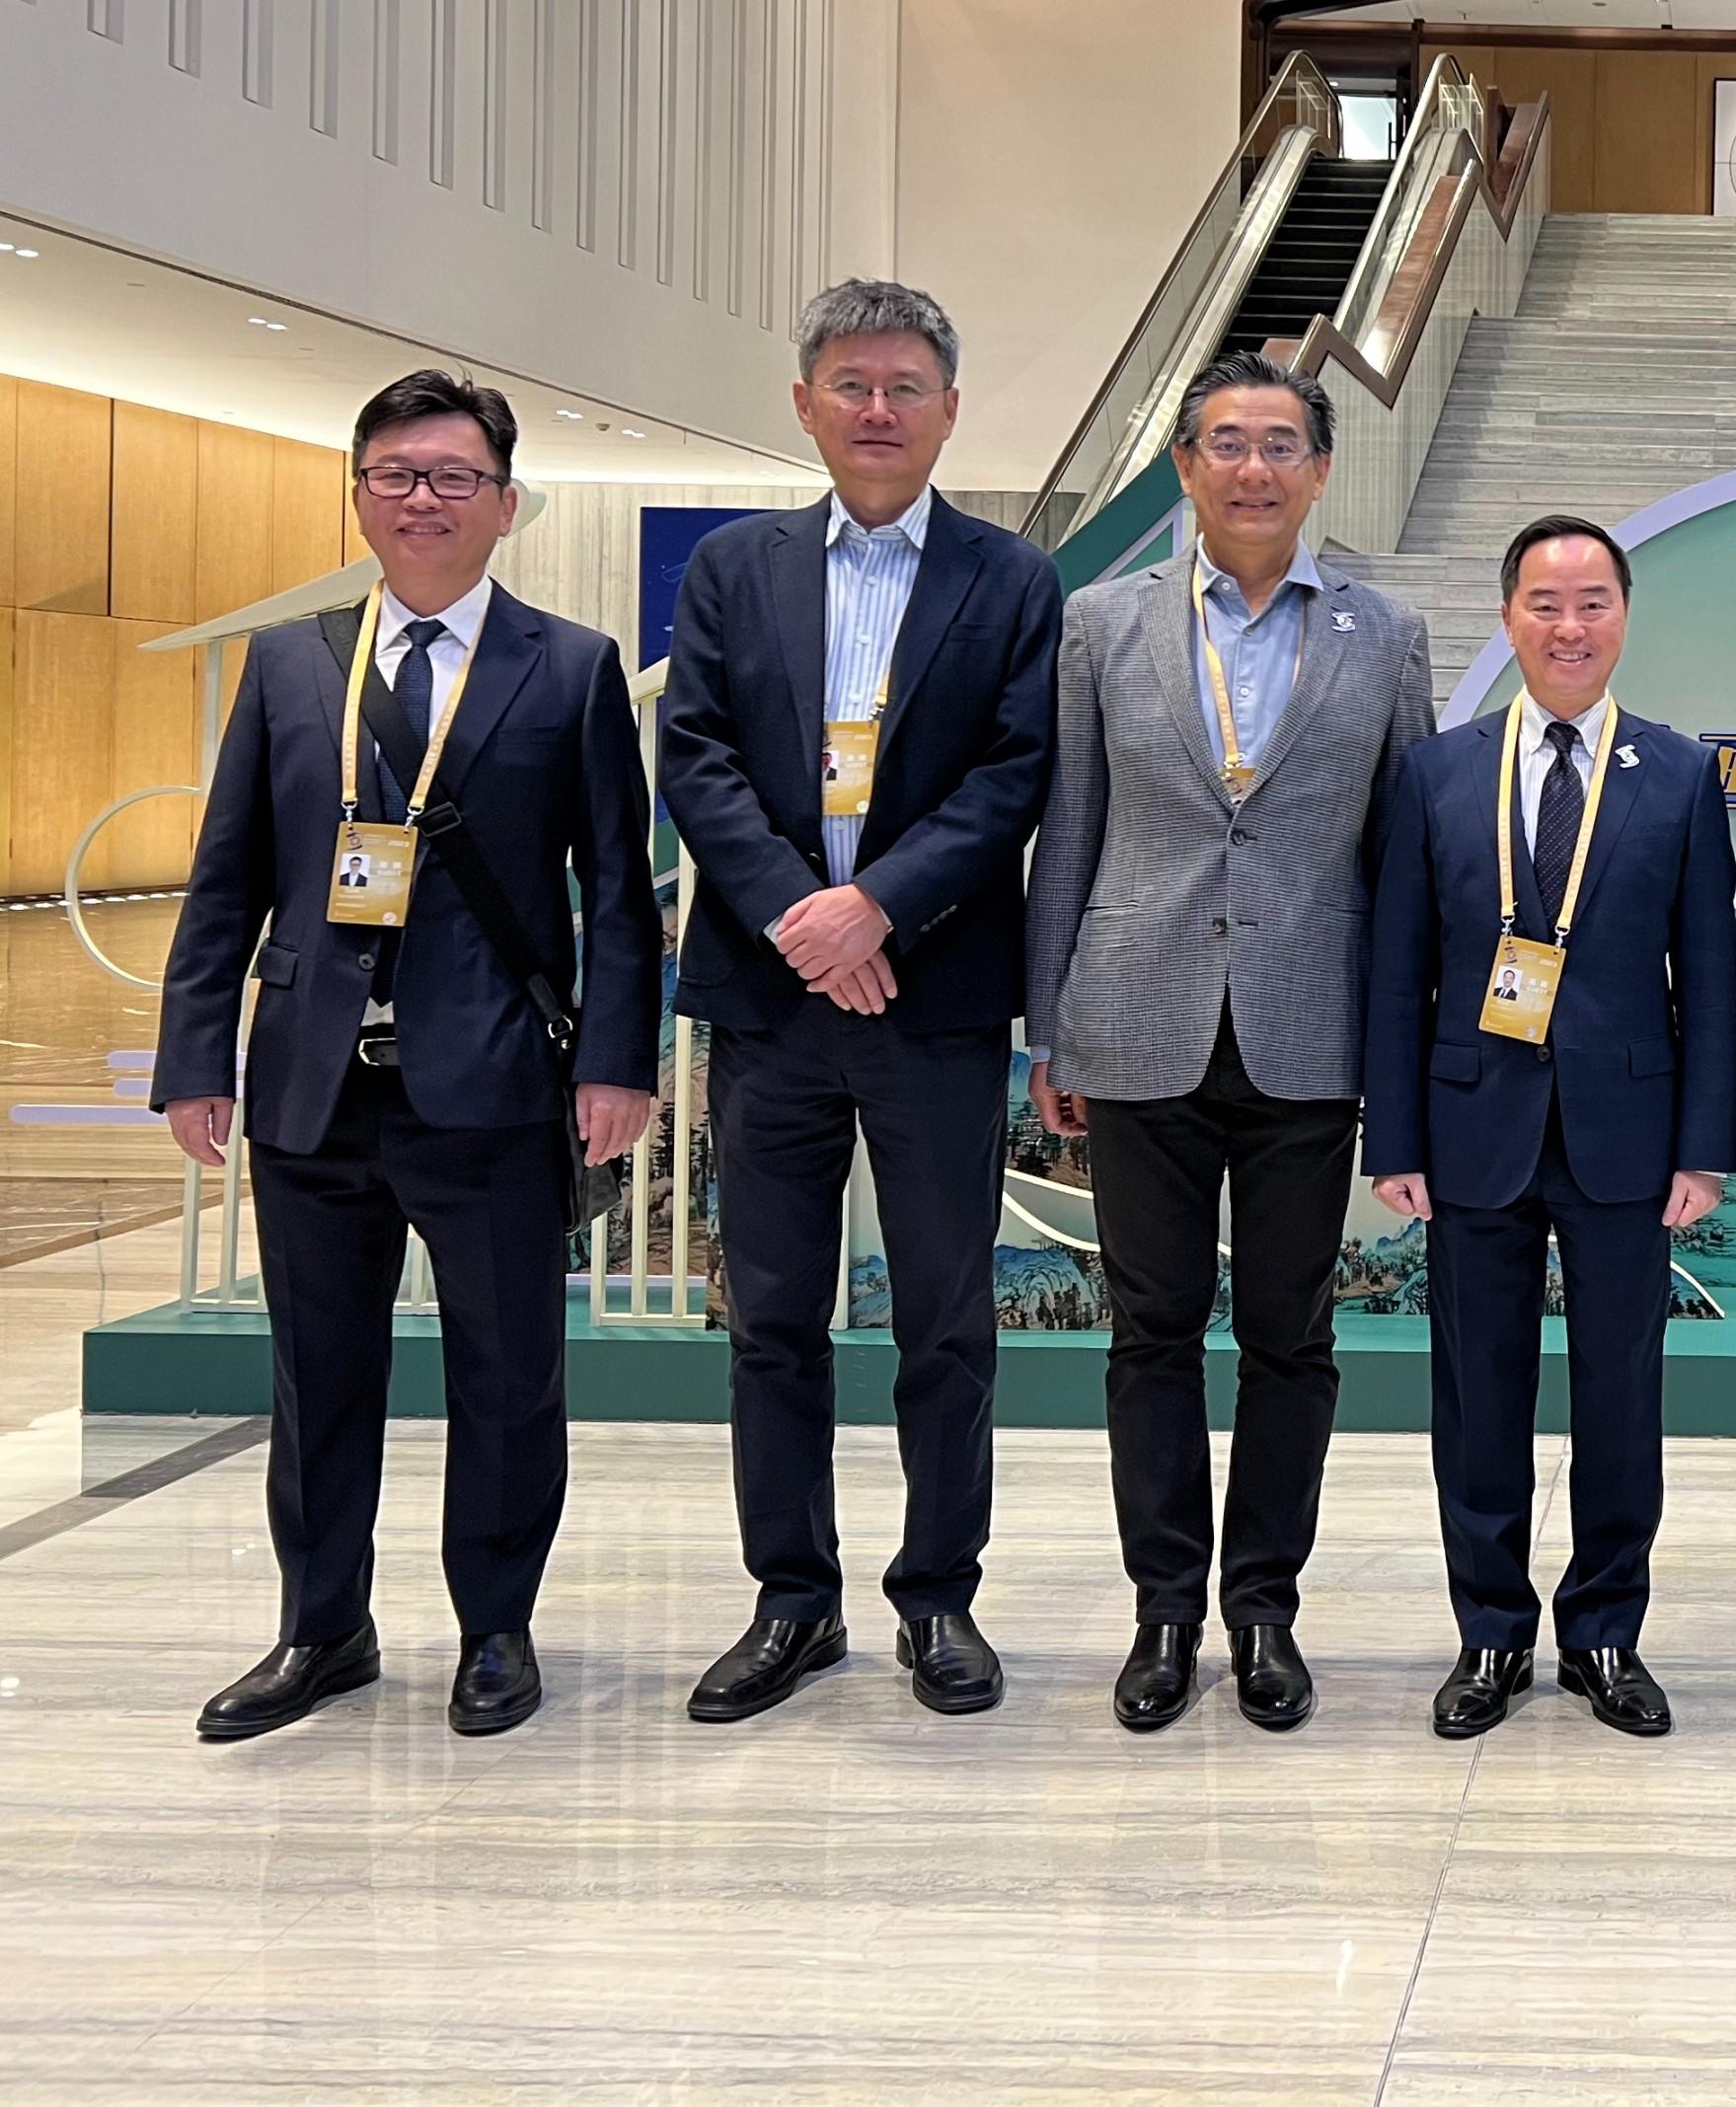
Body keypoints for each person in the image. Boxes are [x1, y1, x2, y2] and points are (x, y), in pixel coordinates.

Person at [155, 371, 661, 1742]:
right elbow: (227, 879)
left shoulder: (569, 666)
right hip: (313, 1085)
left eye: (451, 477)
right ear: (359, 494)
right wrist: (197, 1053)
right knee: (319, 1369)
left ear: (504, 504)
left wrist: (617, 1062)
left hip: (492, 1082)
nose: (422, 498)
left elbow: (617, 886)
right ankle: (323, 1627)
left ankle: (495, 1628)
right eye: (395, 474)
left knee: (509, 1372)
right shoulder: (292, 662)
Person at [660, 281, 1064, 1725]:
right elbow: (694, 754)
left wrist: (878, 905)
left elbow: (1014, 773)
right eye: (851, 383)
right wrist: (800, 914)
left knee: (948, 1314)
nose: (878, 409)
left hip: (934, 995)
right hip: (773, 1003)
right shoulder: (732, 569)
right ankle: (791, 1597)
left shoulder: (1014, 580)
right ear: (806, 404)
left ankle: (939, 1594)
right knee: (768, 1312)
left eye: (906, 385)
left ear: (952, 409)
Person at [1026, 347, 1434, 1735]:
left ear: (1319, 469)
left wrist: (1399, 1052)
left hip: (1308, 1037)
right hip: (1135, 1021)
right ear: (1187, 466)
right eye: (1225, 443)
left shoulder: (1384, 636)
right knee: (1148, 1335)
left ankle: (1263, 1608)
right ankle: (1163, 1610)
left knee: (1289, 1335)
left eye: (1279, 444)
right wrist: (1050, 1029)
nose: (1252, 468)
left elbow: (1406, 861)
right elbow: (1067, 831)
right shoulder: (1101, 623)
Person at [1363, 515, 1736, 1741]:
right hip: (1473, 1129)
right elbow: (1399, 969)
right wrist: (1395, 1135)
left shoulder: (1679, 774)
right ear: (1509, 615)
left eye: (1590, 602)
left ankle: (1606, 1633)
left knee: (1621, 1397)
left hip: (1628, 1136)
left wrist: (1703, 1144)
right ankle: (1488, 1634)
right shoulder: (1438, 771)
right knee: (1476, 1395)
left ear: (1622, 617)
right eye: (1542, 602)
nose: (1567, 626)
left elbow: (1710, 973)